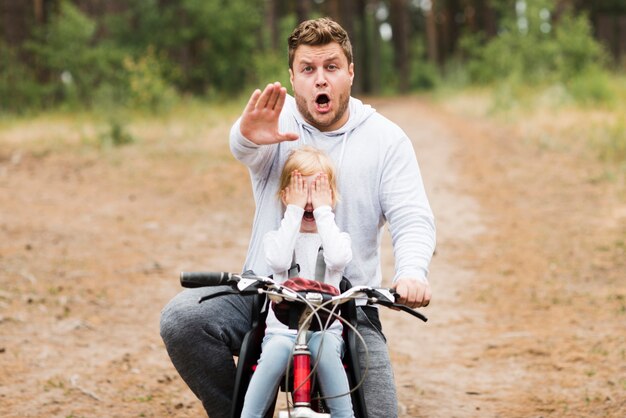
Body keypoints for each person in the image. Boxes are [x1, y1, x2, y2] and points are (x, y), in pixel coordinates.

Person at [160, 17, 436, 417]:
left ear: (350, 72)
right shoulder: (278, 121)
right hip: (266, 293)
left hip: (348, 302)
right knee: (182, 320)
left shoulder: (386, 139)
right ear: (292, 77)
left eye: (331, 67)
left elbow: (412, 216)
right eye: (308, 69)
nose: (320, 80)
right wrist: (247, 135)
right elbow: (245, 146)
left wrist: (412, 271)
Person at [241, 146, 354, 418]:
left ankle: (344, 415)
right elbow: (278, 262)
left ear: (330, 198)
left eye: (317, 191)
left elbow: (338, 259)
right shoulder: (277, 238)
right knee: (275, 352)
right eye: (301, 190)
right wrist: (293, 211)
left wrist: (325, 211)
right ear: (287, 196)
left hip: (325, 331)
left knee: (325, 349)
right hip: (282, 332)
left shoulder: (336, 238)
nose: (309, 201)